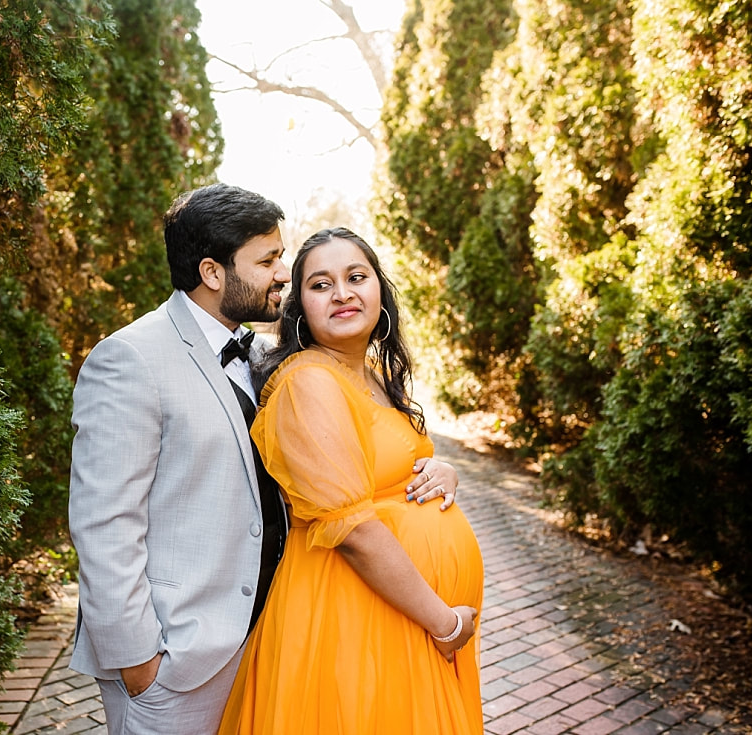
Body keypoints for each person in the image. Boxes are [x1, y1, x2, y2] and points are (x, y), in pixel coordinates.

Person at [69, 187, 460, 735]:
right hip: (177, 657)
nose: (283, 273)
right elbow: (104, 524)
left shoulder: (262, 355)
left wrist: (436, 471)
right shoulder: (130, 358)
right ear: (212, 272)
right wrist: (140, 662)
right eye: (269, 259)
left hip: (268, 633)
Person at [218, 227, 484, 734]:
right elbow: (354, 530)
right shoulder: (309, 381)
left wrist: (440, 469)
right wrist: (444, 622)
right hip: (353, 618)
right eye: (321, 285)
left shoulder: (373, 377)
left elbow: (384, 471)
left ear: (378, 291)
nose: (341, 293)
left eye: (355, 277)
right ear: (300, 309)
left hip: (400, 615)